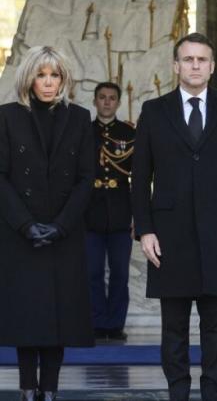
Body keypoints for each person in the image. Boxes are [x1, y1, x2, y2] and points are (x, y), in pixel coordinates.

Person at [131, 32, 217, 401]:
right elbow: (140, 178)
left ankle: (213, 395)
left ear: (213, 67)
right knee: (173, 328)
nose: (196, 65)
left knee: (216, 326)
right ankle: (178, 394)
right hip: (168, 236)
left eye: (202, 59)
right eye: (188, 59)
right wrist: (145, 230)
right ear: (176, 66)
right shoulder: (154, 111)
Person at [0, 46, 95, 401]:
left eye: (54, 75)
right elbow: (1, 176)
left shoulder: (80, 118)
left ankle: (51, 389)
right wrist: (25, 225)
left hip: (63, 233)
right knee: (28, 316)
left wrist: (62, 225)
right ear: (29, 78)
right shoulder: (7, 117)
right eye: (41, 75)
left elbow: (87, 178)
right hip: (19, 233)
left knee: (59, 316)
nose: (48, 82)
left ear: (64, 79)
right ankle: (27, 388)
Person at [84, 82, 135, 341]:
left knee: (119, 272)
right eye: (102, 97)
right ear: (95, 101)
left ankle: (115, 324)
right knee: (91, 272)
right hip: (89, 214)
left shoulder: (129, 133)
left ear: (118, 102)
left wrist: (139, 216)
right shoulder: (83, 132)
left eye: (112, 98)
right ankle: (96, 323)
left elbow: (138, 178)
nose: (106, 102)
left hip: (120, 213)